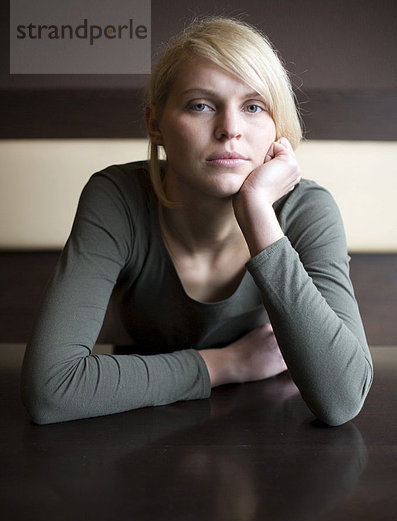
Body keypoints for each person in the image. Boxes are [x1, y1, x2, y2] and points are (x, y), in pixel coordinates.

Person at [21, 17, 373, 426]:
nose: (229, 130)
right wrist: (227, 364)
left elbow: (342, 398)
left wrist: (257, 210)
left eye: (254, 106)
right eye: (201, 105)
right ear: (155, 124)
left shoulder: (307, 209)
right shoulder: (117, 197)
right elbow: (52, 389)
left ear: (278, 128)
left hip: (265, 430)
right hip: (137, 428)